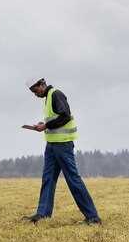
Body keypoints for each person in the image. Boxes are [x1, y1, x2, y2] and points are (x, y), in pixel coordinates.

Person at [22, 77, 101, 225]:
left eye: (35, 90)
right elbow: (55, 119)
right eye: (33, 92)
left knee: (73, 179)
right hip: (51, 146)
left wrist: (45, 126)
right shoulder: (47, 98)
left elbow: (65, 116)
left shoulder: (56, 94)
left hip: (63, 146)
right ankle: (43, 214)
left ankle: (93, 217)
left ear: (42, 84)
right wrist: (44, 124)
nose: (35, 94)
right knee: (48, 179)